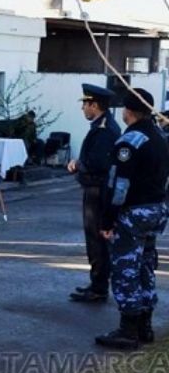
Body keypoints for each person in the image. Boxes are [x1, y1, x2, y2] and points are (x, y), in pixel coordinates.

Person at [95, 88, 169, 350]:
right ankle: (144, 325)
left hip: (133, 212)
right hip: (155, 210)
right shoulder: (160, 136)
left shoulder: (130, 141)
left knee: (126, 268)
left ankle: (128, 330)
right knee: (146, 265)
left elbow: (119, 185)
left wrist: (107, 220)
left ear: (128, 111)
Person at [67, 84, 121, 303]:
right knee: (95, 239)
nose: (83, 109)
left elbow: (98, 162)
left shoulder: (105, 129)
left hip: (98, 190)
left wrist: (77, 164)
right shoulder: (101, 125)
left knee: (97, 239)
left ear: (94, 105)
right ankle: (96, 282)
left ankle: (99, 287)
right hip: (95, 188)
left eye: (85, 104)